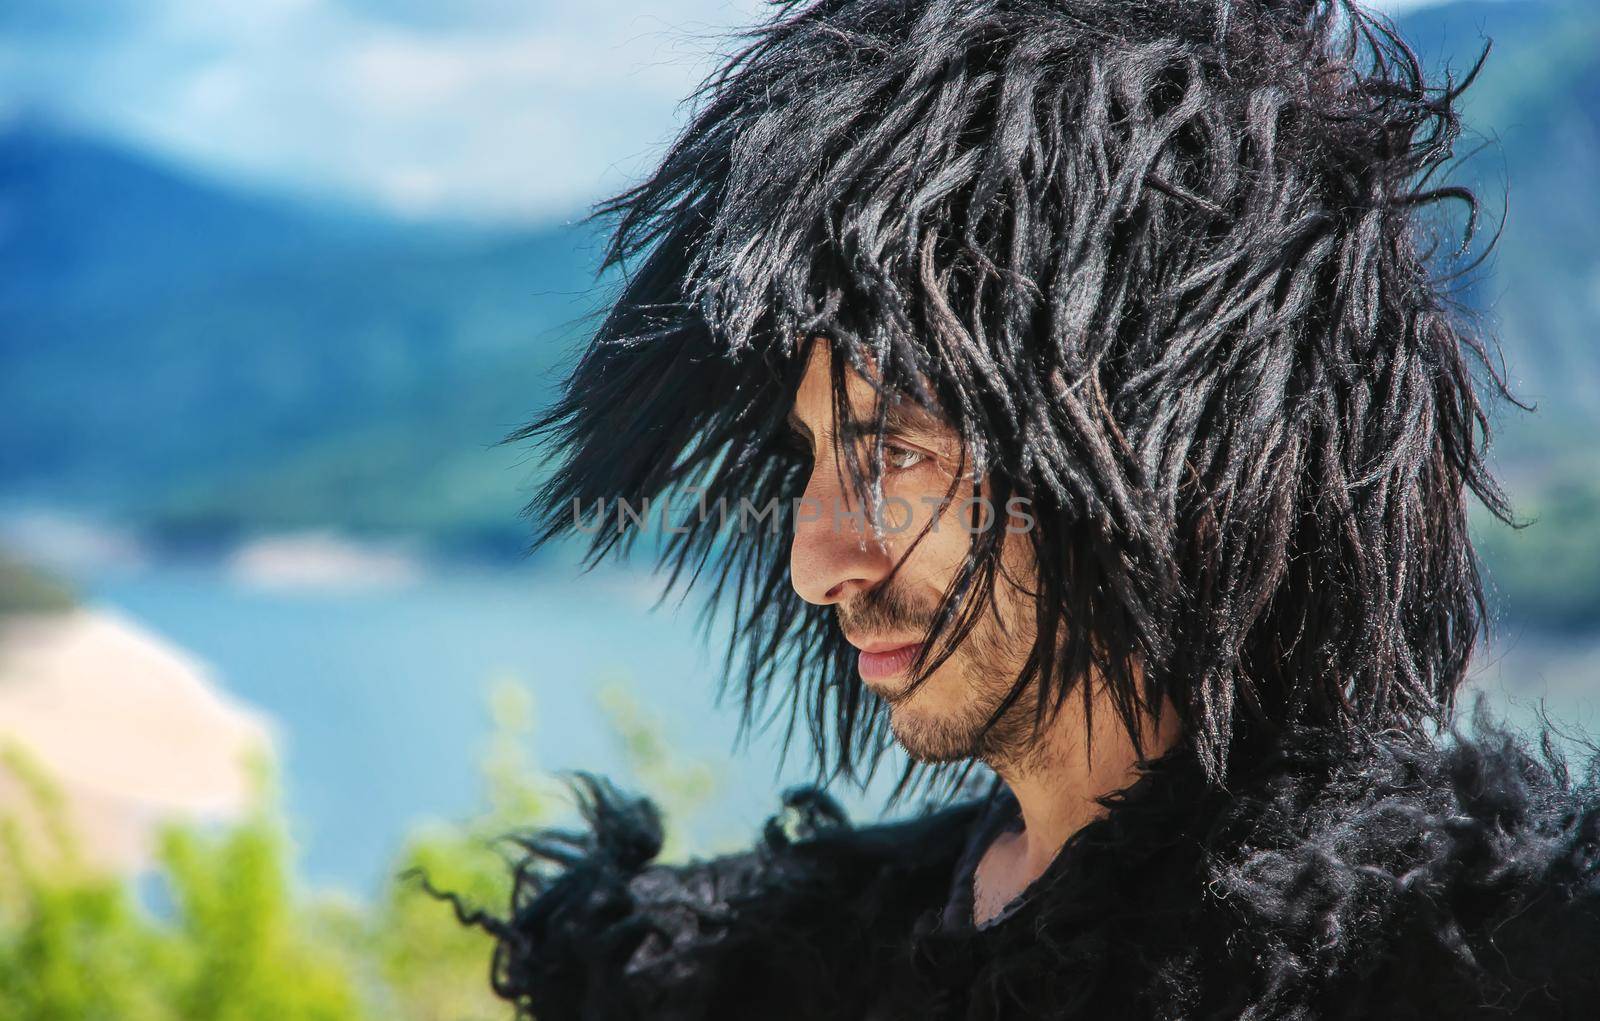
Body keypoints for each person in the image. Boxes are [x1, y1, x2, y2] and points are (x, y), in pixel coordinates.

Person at [441, 1, 1600, 1016]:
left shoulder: (1474, 955)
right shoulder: (773, 966)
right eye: (811, 460)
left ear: (1170, 458)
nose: (812, 561)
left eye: (891, 450)